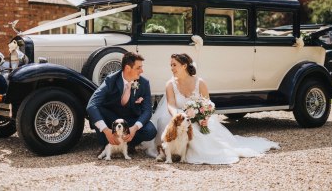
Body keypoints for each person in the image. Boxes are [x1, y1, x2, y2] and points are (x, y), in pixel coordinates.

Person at [144, 53, 280, 164]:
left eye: (174, 65)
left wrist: (204, 118)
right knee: (168, 124)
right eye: (171, 65)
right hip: (178, 115)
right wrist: (176, 117)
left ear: (184, 66)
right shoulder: (170, 84)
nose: (171, 68)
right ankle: (172, 152)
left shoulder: (200, 82)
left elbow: (207, 104)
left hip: (198, 116)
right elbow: (171, 104)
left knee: (200, 132)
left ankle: (197, 154)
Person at [87, 52, 157, 153]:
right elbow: (91, 105)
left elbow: (147, 111)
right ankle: (106, 143)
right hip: (112, 118)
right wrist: (106, 130)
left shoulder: (144, 83)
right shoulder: (111, 80)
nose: (142, 71)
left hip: (131, 119)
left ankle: (129, 144)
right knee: (97, 109)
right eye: (138, 68)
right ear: (128, 68)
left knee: (150, 131)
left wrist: (134, 128)